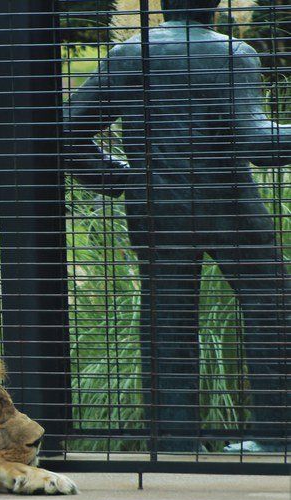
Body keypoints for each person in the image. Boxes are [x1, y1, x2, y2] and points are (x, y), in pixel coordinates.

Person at [64, 0, 289, 452]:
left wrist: (125, 181)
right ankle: (272, 437)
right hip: (230, 207)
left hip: (158, 208)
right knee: (272, 312)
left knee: (166, 322)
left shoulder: (131, 53)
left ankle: (173, 443)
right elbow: (256, 141)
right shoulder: (233, 53)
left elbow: (68, 131)